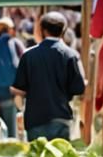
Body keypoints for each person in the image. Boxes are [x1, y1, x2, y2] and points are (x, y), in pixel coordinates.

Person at [11, 11, 86, 140]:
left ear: (42, 30)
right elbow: (79, 88)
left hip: (35, 119)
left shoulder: (28, 55)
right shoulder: (71, 55)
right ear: (64, 30)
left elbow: (19, 90)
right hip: (62, 117)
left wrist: (22, 109)